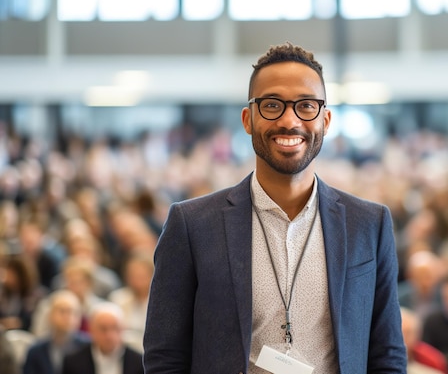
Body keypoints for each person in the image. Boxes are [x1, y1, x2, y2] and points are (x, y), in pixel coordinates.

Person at [143, 42, 407, 373]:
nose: (289, 120)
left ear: (325, 120)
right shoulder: (192, 225)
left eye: (306, 106)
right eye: (271, 105)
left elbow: (388, 354)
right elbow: (164, 356)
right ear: (247, 119)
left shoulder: (369, 223)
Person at [61, 301, 143, 374]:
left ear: (123, 329)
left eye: (114, 328)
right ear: (91, 330)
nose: (109, 335)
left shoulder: (139, 362)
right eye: (103, 329)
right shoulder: (73, 362)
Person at [22, 289, 89, 374]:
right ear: (50, 315)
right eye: (62, 311)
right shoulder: (36, 350)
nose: (67, 317)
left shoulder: (88, 347)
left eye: (73, 312)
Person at [400, 307, 448, 374]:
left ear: (418, 334)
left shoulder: (433, 360)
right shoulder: (383, 359)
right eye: (401, 332)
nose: (404, 337)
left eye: (408, 333)